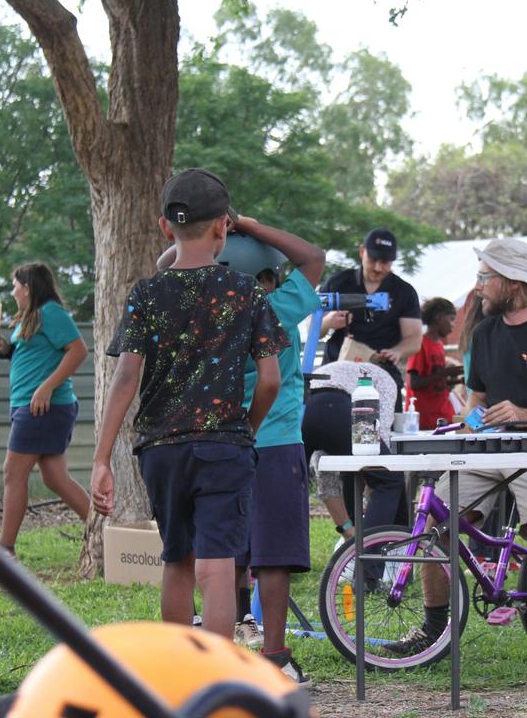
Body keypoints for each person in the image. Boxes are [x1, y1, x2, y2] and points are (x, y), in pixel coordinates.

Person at [390, 238, 527, 679]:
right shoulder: (484, 333)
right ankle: (433, 630)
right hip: (486, 449)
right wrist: (465, 422)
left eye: (485, 278)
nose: (478, 287)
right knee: (432, 522)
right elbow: (476, 400)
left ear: (512, 281)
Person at [91, 168, 288, 644]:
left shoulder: (146, 294)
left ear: (165, 227)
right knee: (217, 567)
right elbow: (270, 379)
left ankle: (178, 679)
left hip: (161, 450)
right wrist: (248, 427)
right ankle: (217, 684)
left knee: (176, 561)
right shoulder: (244, 292)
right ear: (223, 225)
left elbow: (124, 379)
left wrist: (101, 458)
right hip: (224, 445)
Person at [158, 214, 324, 684]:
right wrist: (253, 225)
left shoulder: (203, 307)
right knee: (273, 554)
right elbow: (313, 257)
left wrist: (207, 238)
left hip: (216, 441)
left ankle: (216, 651)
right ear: (267, 278)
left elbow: (163, 264)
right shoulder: (279, 306)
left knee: (218, 550)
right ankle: (274, 655)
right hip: (274, 440)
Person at [0, 263, 91, 557]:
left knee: (12, 472)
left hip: (42, 407)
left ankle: (4, 550)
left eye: (15, 284)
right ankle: (103, 534)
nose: (13, 291)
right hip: (31, 405)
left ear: (28, 286)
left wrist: (46, 387)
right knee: (55, 477)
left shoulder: (51, 312)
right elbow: (34, 354)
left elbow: (79, 350)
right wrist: (5, 349)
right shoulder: (30, 318)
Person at [303, 360, 408, 538]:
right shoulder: (386, 380)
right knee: (389, 479)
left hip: (302, 406)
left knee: (295, 484)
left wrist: (345, 528)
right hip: (336, 406)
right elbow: (377, 436)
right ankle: (368, 555)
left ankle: (350, 536)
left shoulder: (341, 368)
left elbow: (324, 465)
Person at [319, 228, 421, 408]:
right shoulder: (338, 283)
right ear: (361, 251)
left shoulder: (404, 291)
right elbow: (313, 328)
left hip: (381, 374)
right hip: (337, 374)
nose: (378, 268)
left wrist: (397, 351)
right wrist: (328, 322)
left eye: (385, 262)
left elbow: (414, 339)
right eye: (373, 260)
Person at [406, 297, 461, 430]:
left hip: (443, 415)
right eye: (451, 319)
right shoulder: (420, 345)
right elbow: (414, 383)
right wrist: (445, 373)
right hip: (425, 420)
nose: (453, 325)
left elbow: (435, 381)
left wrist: (457, 380)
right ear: (439, 317)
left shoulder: (439, 345)